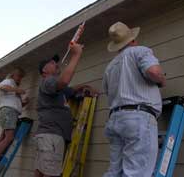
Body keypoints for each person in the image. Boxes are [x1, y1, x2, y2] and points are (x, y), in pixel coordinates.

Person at [102, 22, 166, 177]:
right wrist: (162, 80)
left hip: (115, 119)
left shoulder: (110, 67)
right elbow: (153, 72)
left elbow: (107, 91)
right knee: (136, 173)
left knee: (114, 172)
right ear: (132, 40)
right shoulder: (140, 51)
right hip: (138, 119)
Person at [34, 43, 98, 177]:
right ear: (44, 72)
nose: (55, 63)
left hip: (49, 136)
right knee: (51, 174)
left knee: (41, 172)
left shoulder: (57, 90)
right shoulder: (48, 81)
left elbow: (70, 90)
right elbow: (63, 82)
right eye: (51, 62)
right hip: (52, 136)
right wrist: (76, 54)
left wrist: (85, 86)